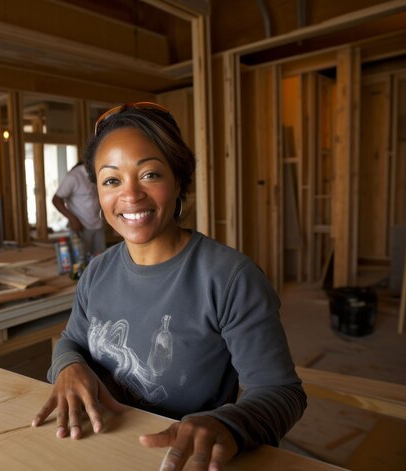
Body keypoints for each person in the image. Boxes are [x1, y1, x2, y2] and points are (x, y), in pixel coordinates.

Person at [32, 103, 306, 470]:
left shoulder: (229, 278)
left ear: (178, 180)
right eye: (112, 180)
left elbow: (282, 392)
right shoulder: (97, 271)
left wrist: (228, 424)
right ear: (97, 190)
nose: (130, 195)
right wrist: (67, 366)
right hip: (101, 447)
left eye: (149, 175)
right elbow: (72, 341)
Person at [52, 162, 106, 256]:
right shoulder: (73, 177)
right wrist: (73, 220)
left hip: (97, 223)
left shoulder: (96, 174)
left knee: (101, 258)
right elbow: (56, 200)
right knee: (81, 260)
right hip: (81, 225)